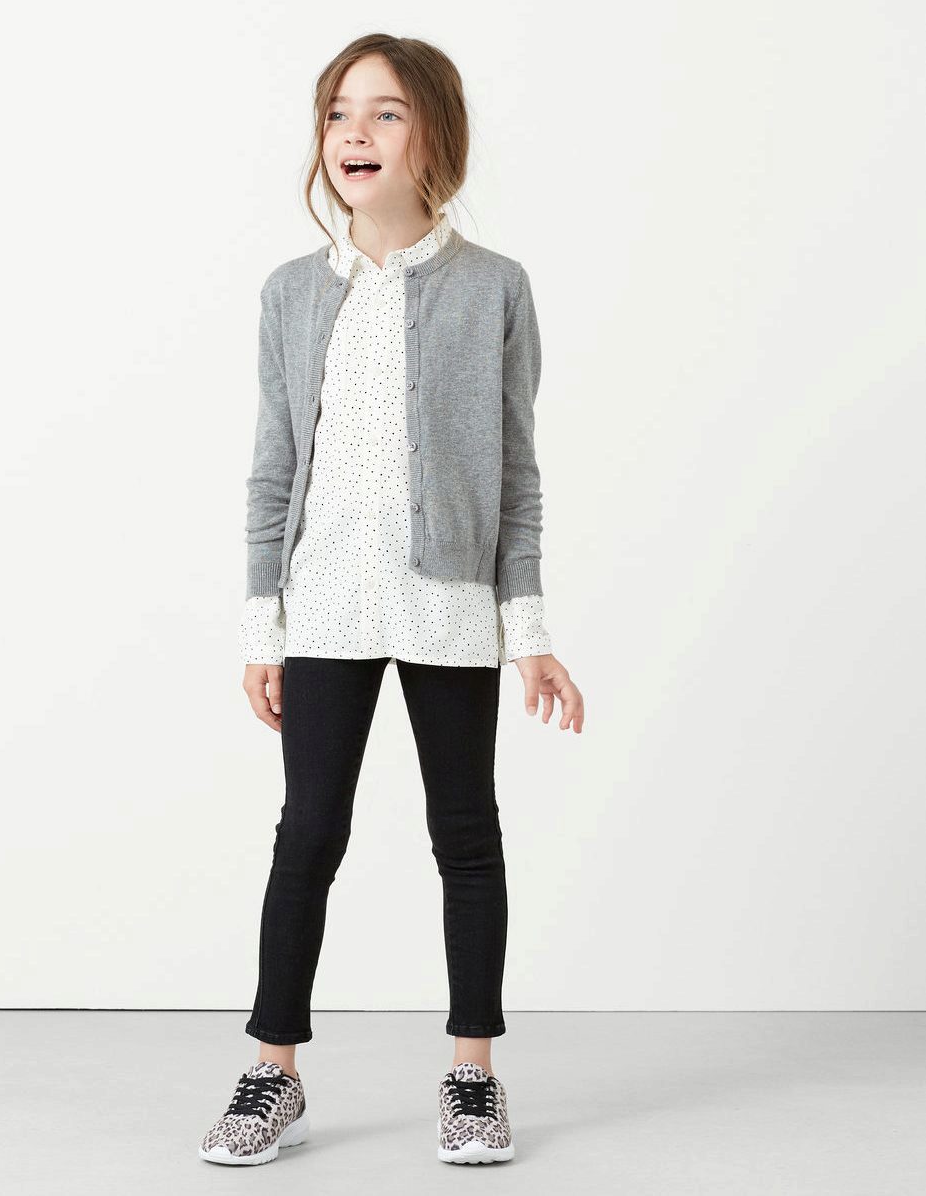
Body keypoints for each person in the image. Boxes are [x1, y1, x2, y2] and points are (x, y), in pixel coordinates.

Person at [199, 33, 584, 1168]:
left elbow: (515, 476)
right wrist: (261, 625)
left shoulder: (494, 287)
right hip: (322, 604)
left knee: (465, 834)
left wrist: (528, 631)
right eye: (337, 113)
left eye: (384, 113)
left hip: (449, 603)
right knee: (307, 833)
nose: (353, 134)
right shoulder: (290, 292)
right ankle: (273, 1070)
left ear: (433, 136)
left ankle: (472, 1073)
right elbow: (274, 467)